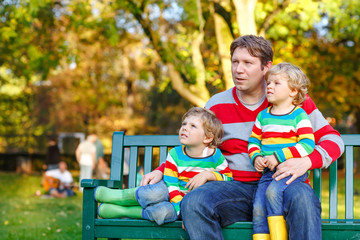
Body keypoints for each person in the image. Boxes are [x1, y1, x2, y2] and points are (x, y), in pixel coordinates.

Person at [140, 35, 344, 240]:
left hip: (284, 185)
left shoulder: (291, 100)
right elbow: (193, 144)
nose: (238, 69)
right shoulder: (216, 104)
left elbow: (334, 140)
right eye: (235, 62)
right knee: (194, 201)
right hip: (234, 190)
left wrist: (306, 161)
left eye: (248, 63)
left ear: (267, 67)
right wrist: (161, 170)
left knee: (302, 197)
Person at [93, 107, 232, 225]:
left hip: (188, 204)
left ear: (207, 138)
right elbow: (171, 186)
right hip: (170, 192)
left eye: (192, 126)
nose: (184, 128)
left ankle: (122, 211)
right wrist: (182, 210)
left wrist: (209, 175)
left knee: (162, 214)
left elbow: (228, 178)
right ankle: (119, 196)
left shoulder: (215, 156)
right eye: (184, 124)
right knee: (154, 193)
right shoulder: (175, 155)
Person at [248, 62, 315, 240]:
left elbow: (308, 144)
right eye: (269, 82)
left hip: (290, 171)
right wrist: (256, 157)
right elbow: (254, 140)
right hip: (268, 173)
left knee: (272, 193)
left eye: (277, 83)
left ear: (293, 91)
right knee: (258, 207)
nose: (269, 86)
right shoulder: (263, 116)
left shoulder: (298, 115)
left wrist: (279, 156)